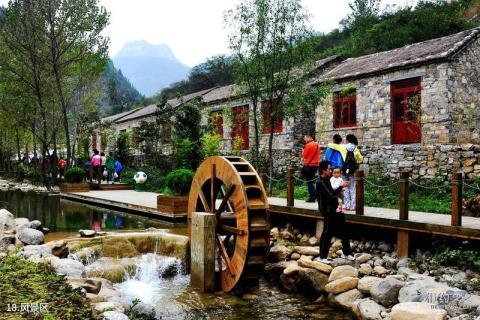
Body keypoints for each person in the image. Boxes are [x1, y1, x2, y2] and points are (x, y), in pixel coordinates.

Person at [316, 160, 353, 264]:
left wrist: (340, 193)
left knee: (344, 230)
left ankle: (347, 253)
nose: (330, 170)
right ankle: (322, 256)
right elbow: (331, 194)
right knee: (327, 232)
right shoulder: (321, 181)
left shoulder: (327, 179)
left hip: (336, 208)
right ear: (324, 170)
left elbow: (334, 194)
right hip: (328, 210)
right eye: (328, 169)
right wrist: (341, 186)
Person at [343, 134, 364, 211]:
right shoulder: (355, 148)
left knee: (345, 188)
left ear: (347, 140)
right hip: (352, 170)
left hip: (344, 170)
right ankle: (353, 206)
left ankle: (347, 206)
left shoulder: (343, 147)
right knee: (352, 188)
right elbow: (360, 159)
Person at [300, 133, 320, 202]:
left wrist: (303, 151)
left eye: (305, 137)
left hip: (309, 165)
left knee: (309, 181)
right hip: (315, 165)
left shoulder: (308, 145)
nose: (304, 139)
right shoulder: (317, 145)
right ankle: (314, 195)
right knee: (311, 181)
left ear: (309, 137)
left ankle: (312, 196)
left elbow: (305, 156)